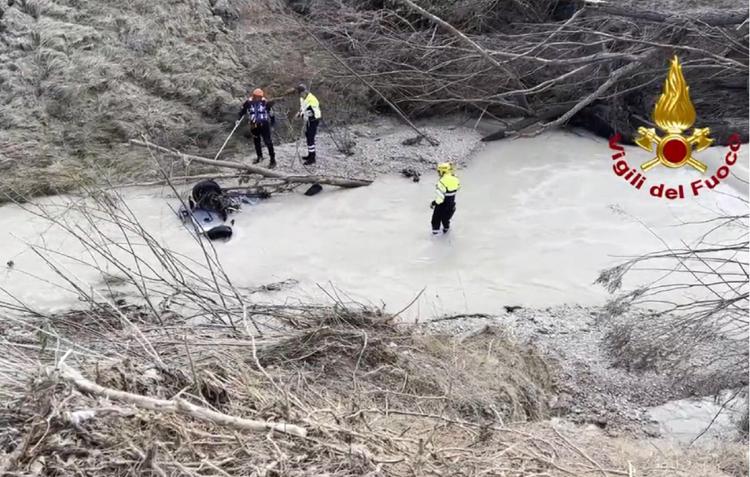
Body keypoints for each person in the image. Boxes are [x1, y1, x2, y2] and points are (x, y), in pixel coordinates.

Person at [237, 88, 276, 168]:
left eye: (259, 96)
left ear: (262, 96)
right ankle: (259, 156)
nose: (258, 98)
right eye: (256, 96)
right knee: (256, 140)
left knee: (268, 141)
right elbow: (242, 111)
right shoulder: (248, 102)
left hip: (264, 124)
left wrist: (272, 123)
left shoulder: (265, 102)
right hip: (253, 124)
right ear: (254, 96)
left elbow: (271, 113)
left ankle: (272, 160)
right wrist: (238, 119)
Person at [430, 162, 460, 235]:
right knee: (446, 220)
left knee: (435, 220)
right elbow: (458, 188)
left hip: (441, 206)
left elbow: (440, 199)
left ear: (442, 171)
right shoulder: (456, 179)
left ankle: (435, 234)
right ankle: (446, 230)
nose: (438, 173)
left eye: (438, 171)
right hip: (451, 205)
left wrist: (433, 203)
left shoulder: (441, 181)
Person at [296, 83, 321, 165]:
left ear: (304, 91)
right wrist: (299, 114)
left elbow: (313, 112)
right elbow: (302, 108)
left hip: (314, 120)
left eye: (301, 93)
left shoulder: (312, 99)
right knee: (308, 136)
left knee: (310, 137)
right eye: (299, 94)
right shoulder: (302, 98)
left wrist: (303, 115)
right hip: (308, 120)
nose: (300, 96)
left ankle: (312, 158)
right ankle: (310, 154)